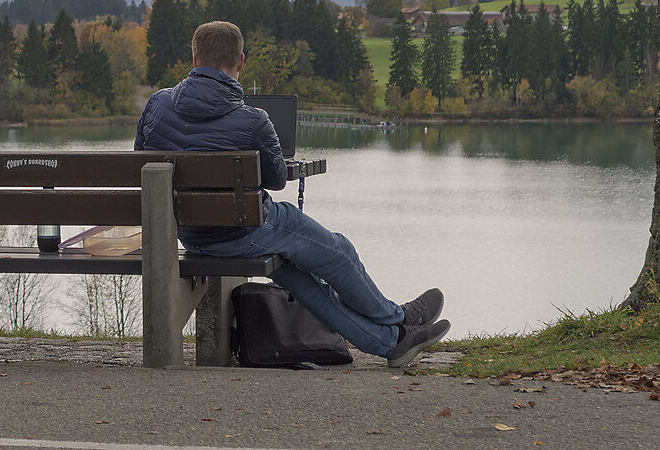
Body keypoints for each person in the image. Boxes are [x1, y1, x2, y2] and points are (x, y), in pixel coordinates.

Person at [135, 20, 449, 367]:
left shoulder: (156, 106)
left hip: (190, 234)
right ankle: (398, 318)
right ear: (241, 62)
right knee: (339, 249)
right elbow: (276, 179)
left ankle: (393, 344)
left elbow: (143, 166)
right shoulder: (253, 120)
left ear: (194, 59)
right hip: (243, 231)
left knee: (297, 275)